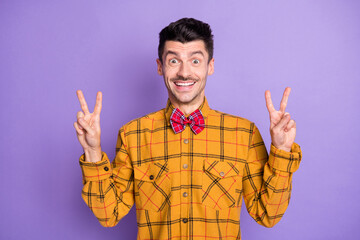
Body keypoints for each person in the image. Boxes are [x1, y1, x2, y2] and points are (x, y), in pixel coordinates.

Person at [74, 18, 302, 240]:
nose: (184, 72)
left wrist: (281, 150)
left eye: (195, 60)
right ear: (160, 67)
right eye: (174, 61)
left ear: (209, 66)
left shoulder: (244, 133)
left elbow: (268, 214)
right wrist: (93, 153)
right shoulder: (132, 135)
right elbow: (108, 214)